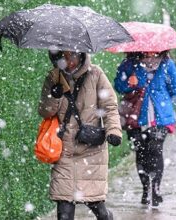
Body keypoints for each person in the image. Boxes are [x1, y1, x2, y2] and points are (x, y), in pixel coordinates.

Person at [38, 50, 122, 220]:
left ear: (81, 55)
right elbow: (45, 112)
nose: (69, 61)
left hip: (91, 150)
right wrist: (54, 96)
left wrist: (114, 131)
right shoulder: (54, 77)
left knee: (99, 210)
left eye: (73, 55)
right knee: (64, 212)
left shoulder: (96, 74)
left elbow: (109, 107)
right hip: (64, 151)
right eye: (64, 56)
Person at [114, 51, 176, 208]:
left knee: (155, 150)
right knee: (141, 152)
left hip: (160, 116)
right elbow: (118, 86)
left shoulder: (167, 65)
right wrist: (130, 83)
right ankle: (145, 188)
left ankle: (156, 187)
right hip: (136, 116)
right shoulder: (129, 64)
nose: (150, 54)